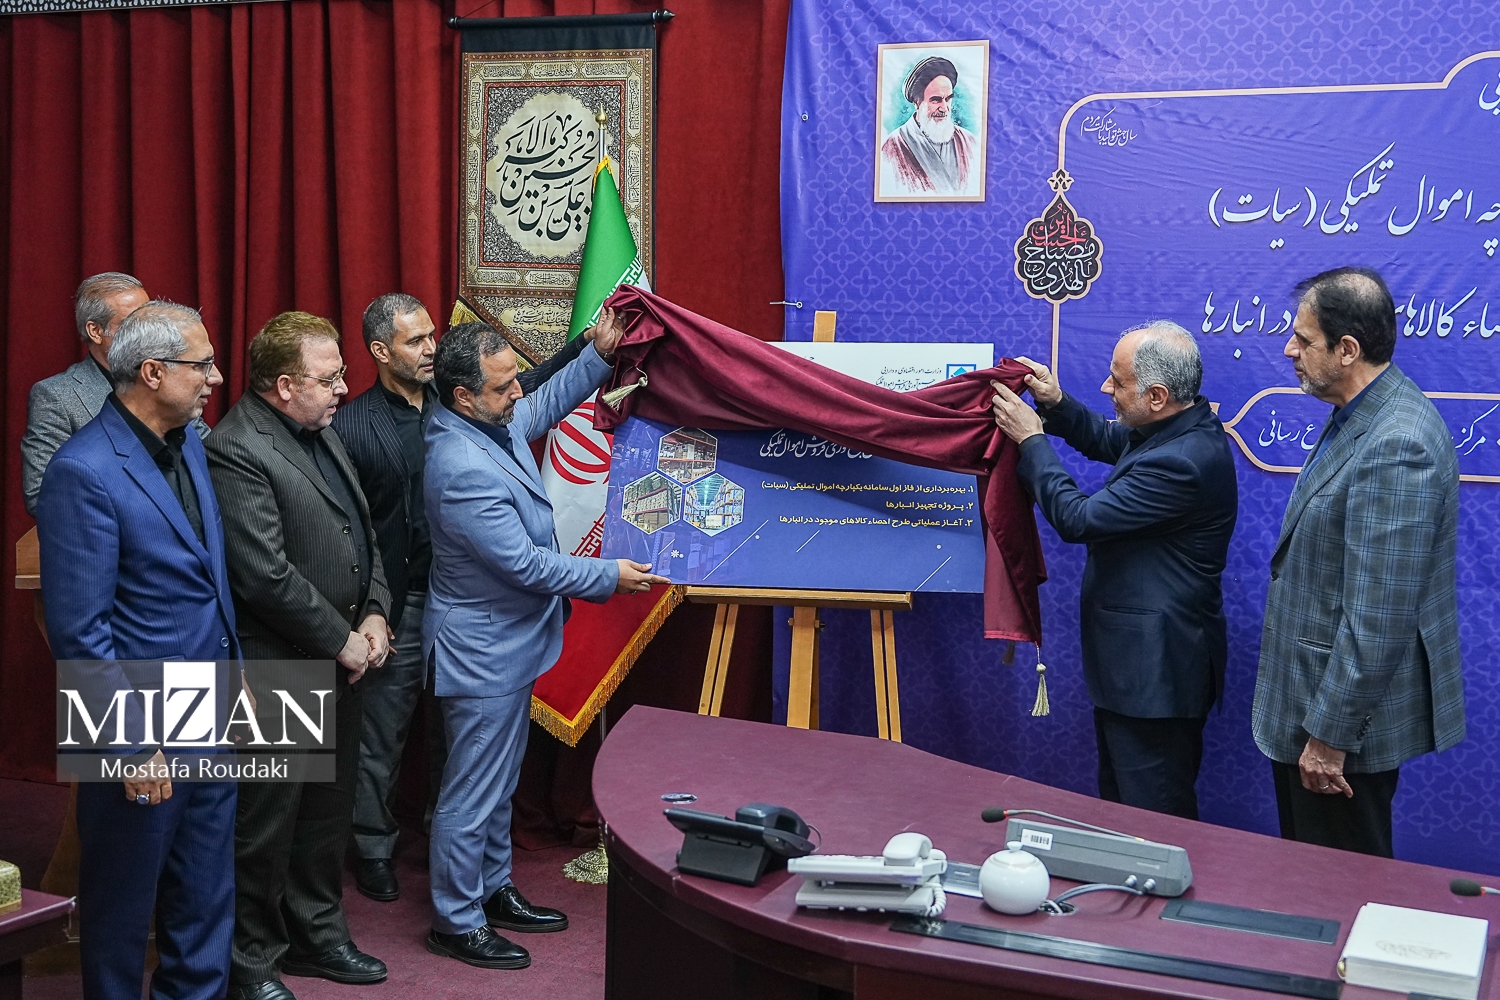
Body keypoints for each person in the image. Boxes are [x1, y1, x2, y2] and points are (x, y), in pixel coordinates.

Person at [423, 311, 667, 970]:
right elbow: (525, 566)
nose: (518, 394)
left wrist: (598, 356)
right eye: (503, 386)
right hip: (481, 650)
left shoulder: (487, 420)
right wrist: (608, 576)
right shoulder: (458, 463)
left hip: (509, 640)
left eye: (513, 380)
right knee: (471, 792)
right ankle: (456, 920)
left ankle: (492, 888)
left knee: (498, 783)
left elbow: (547, 401)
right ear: (463, 396)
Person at [335, 293, 592, 902]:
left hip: (468, 603)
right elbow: (350, 528)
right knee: (382, 737)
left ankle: (456, 852)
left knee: (461, 752)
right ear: (380, 351)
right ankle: (374, 849)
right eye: (415, 341)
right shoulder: (352, 426)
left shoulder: (462, 405)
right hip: (400, 605)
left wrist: (590, 351)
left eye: (432, 336)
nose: (430, 348)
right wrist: (372, 608)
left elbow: (536, 394)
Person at [37, 300, 237, 1000]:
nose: (216, 377)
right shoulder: (83, 470)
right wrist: (129, 744)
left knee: (206, 892)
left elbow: (207, 577)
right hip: (139, 722)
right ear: (152, 372)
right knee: (123, 906)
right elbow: (80, 632)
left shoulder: (189, 443)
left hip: (210, 708)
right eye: (202, 364)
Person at [206, 311, 392, 1000]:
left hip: (344, 660)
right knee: (266, 825)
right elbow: (263, 574)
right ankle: (251, 962)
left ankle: (318, 937)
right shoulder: (236, 447)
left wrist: (375, 610)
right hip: (277, 666)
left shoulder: (321, 429)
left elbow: (361, 533)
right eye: (330, 377)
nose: (345, 387)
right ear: (284, 386)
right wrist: (341, 640)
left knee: (325, 816)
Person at [1253, 267, 1463, 857]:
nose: (1289, 349)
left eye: (1304, 339)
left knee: (1338, 890)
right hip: (1314, 706)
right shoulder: (1362, 412)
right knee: (1310, 881)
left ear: (1347, 350)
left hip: (1339, 733)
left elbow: (1379, 619)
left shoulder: (1398, 443)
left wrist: (1330, 736)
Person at [990, 323, 1237, 819]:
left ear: (1157, 396)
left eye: (1117, 382)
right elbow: (1109, 439)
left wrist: (1032, 440)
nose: (1106, 388)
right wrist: (1057, 404)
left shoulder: (1182, 462)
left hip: (1155, 680)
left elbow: (1078, 519)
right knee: (1123, 815)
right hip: (1139, 674)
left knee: (1153, 824)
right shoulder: (1178, 427)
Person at [23, 272, 210, 517]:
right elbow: (41, 495)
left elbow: (210, 454)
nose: (148, 331)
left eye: (149, 319)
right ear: (95, 331)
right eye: (132, 322)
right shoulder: (56, 396)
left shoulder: (168, 377)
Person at [879, 56, 980, 196]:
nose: (944, 108)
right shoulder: (890, 148)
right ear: (917, 103)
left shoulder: (969, 141)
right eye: (936, 100)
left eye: (948, 99)